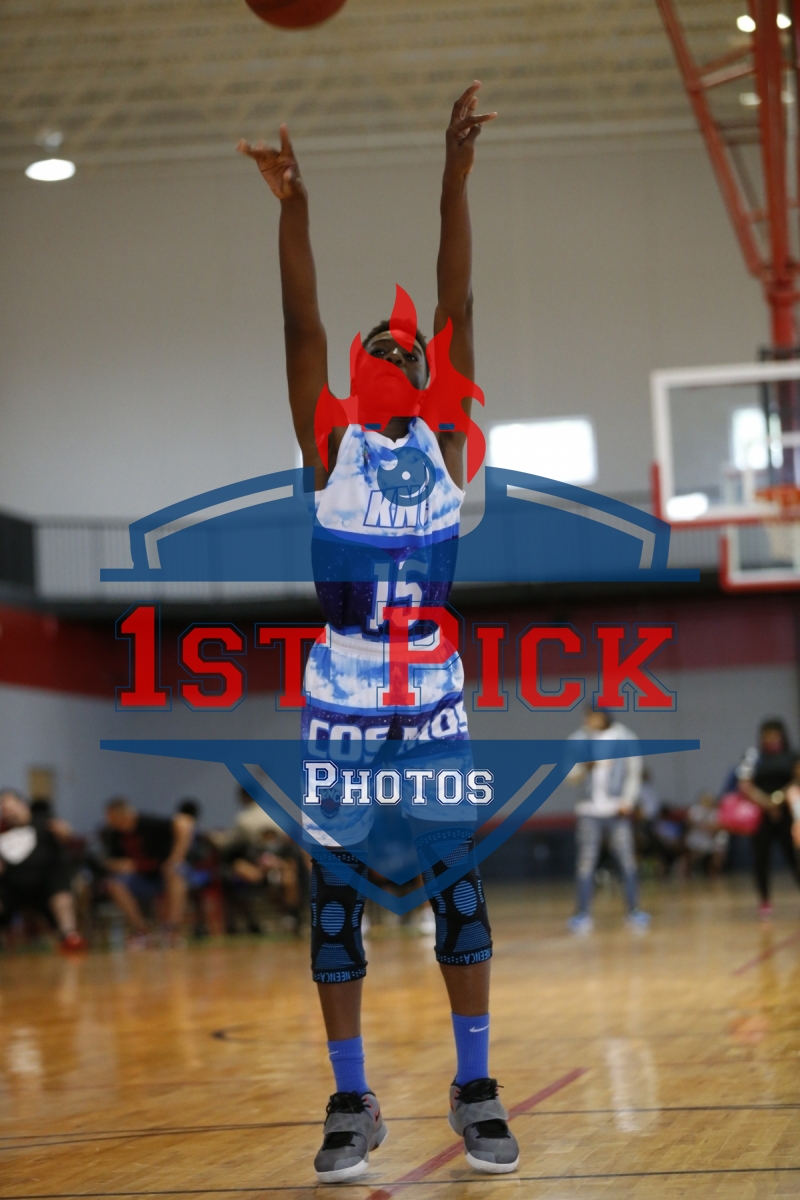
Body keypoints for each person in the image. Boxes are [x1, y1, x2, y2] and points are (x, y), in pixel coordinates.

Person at [238, 81, 520, 1181]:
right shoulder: (330, 449)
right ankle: (350, 1099)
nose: (394, 353)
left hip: (433, 696)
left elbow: (458, 296)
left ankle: (475, 1086)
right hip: (344, 699)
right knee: (335, 905)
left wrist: (454, 174)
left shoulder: (446, 445)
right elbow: (298, 326)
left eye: (407, 348)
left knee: (459, 890)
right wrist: (293, 208)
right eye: (381, 348)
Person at [566, 709, 649, 933]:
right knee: (586, 863)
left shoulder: (625, 737)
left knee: (627, 860)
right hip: (589, 810)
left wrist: (628, 802)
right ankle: (582, 913)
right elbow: (569, 774)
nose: (587, 721)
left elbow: (634, 772)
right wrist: (584, 767)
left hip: (616, 809)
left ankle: (634, 910)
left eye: (591, 716)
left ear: (603, 716)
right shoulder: (578, 739)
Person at [0, 788, 87, 953]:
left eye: (10, 808)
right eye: (4, 810)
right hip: (14, 885)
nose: (8, 813)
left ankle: (69, 935)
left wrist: (66, 833)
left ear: (23, 805)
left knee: (60, 892)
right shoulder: (3, 832)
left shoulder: (45, 822)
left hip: (47, 882)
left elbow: (68, 839)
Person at [100, 797, 194, 943]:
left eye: (109, 816)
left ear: (120, 814)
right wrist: (119, 864)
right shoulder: (114, 834)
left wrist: (176, 857)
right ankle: (141, 930)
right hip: (140, 878)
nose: (107, 820)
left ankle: (172, 929)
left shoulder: (148, 823)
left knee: (176, 873)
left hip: (162, 873)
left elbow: (184, 823)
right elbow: (107, 861)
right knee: (114, 885)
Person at [736, 718, 800, 917]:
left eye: (774, 734)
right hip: (760, 814)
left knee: (794, 857)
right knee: (761, 858)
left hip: (786, 813)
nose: (770, 739)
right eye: (767, 735)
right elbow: (745, 784)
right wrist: (766, 802)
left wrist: (778, 800)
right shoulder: (753, 756)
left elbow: (797, 779)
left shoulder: (792, 756)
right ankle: (764, 900)